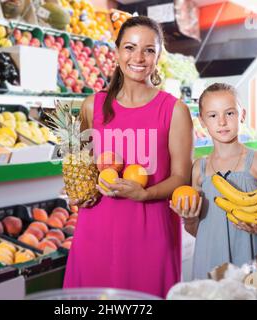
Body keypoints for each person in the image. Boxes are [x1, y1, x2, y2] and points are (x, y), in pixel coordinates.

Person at [63, 16, 193, 298]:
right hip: (95, 233)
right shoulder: (91, 106)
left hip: (151, 235)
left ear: (159, 55)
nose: (139, 57)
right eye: (130, 47)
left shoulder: (174, 111)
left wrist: (145, 194)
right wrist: (77, 192)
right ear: (117, 51)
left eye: (149, 50)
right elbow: (84, 165)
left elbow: (182, 177)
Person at [170, 83, 257, 280]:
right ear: (202, 121)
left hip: (247, 266)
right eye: (212, 115)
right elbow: (197, 231)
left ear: (242, 115)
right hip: (207, 264)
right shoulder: (199, 169)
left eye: (229, 113)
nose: (222, 122)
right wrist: (190, 219)